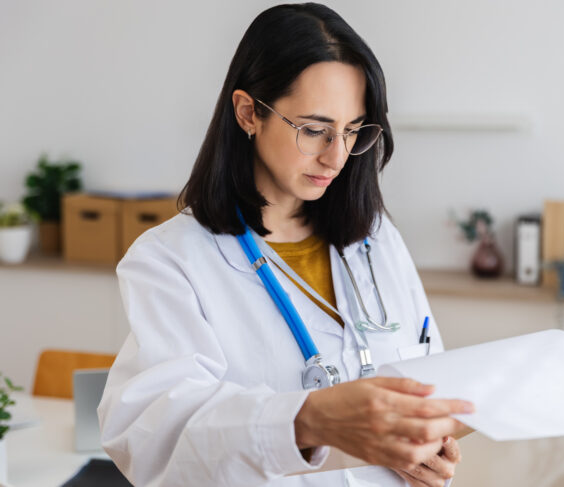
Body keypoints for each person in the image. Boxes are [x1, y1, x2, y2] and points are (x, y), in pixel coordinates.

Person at [98, 3, 474, 486]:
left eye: (353, 130)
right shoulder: (171, 260)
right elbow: (153, 438)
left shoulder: (376, 240)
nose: (337, 156)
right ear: (249, 112)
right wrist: (306, 419)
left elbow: (425, 391)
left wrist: (428, 457)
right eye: (315, 129)